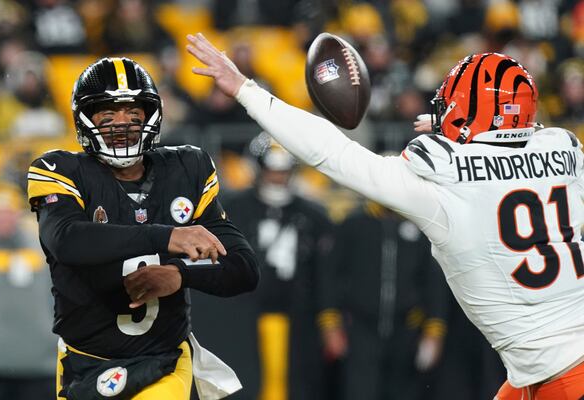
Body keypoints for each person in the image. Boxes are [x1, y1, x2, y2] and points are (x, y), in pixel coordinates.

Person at [186, 33, 584, 399]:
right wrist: (467, 132)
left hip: (558, 375)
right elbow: (515, 142)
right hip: (549, 364)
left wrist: (245, 89)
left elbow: (333, 153)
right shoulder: (565, 150)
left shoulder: (442, 182)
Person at [26, 56, 260, 400]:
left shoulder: (187, 167)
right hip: (84, 364)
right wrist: (167, 234)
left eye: (133, 112)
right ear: (85, 119)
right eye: (107, 113)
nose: (122, 123)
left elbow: (243, 268)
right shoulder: (60, 169)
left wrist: (180, 275)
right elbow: (67, 240)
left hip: (162, 360)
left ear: (151, 116)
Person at [192, 133, 335, 400]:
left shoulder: (314, 216)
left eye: (283, 172)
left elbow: (325, 272)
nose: (277, 178)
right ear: (258, 169)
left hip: (299, 312)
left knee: (298, 382)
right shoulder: (234, 208)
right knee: (245, 378)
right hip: (242, 311)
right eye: (272, 171)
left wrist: (329, 318)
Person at [323, 199, 449, 400]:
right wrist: (330, 324)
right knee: (360, 392)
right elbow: (330, 276)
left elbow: (433, 281)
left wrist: (435, 330)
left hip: (407, 330)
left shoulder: (419, 225)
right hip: (360, 328)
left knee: (403, 392)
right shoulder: (353, 224)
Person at [0, 183, 56, 400]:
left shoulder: (44, 251)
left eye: (8, 213)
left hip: (41, 363)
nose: (3, 219)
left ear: (18, 215)